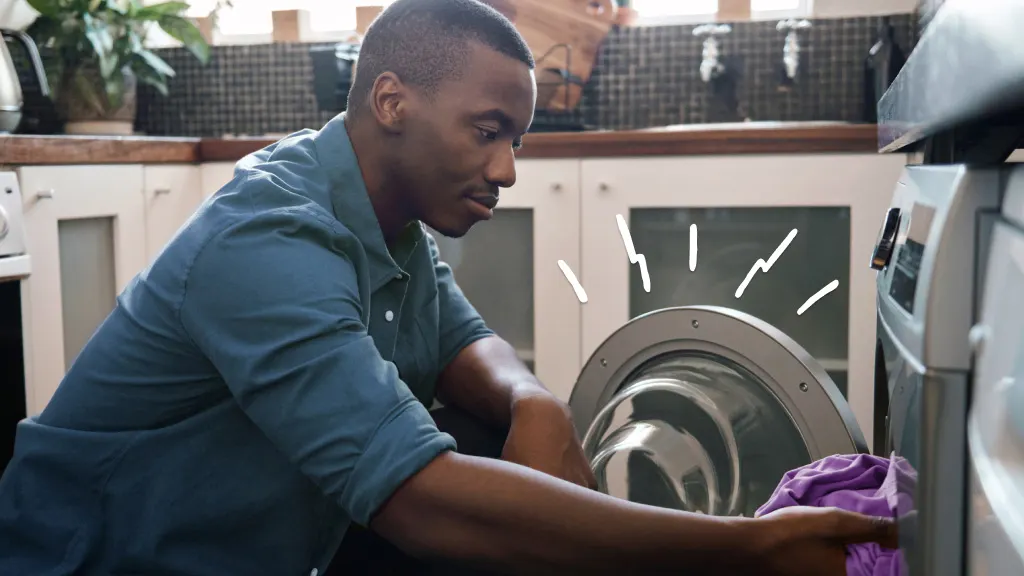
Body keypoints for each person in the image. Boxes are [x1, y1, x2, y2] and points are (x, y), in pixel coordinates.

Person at [0, 0, 898, 574]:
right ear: (392, 102)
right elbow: (423, 504)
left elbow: (468, 346)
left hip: (260, 541)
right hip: (93, 558)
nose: (507, 168)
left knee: (480, 421)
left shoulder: (389, 222)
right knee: (456, 491)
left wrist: (535, 400)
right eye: (488, 130)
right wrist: (742, 551)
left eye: (518, 139)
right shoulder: (271, 236)